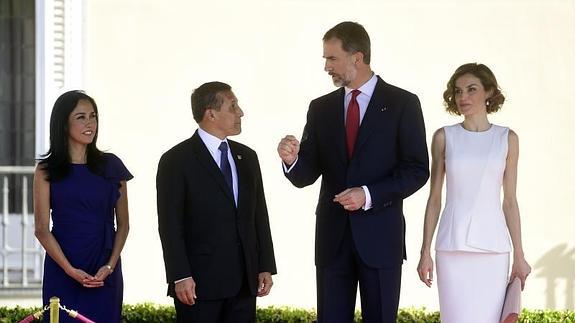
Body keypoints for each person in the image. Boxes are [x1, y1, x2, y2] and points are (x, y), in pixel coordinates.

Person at [277, 21, 429, 322]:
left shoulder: (403, 103)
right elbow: (306, 173)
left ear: (357, 58)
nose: (326, 67)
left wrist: (368, 195)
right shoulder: (320, 108)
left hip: (381, 238)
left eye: (331, 58)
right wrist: (292, 159)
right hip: (332, 242)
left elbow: (417, 169)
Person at [416, 63, 532, 323]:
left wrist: (520, 255)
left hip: (493, 248)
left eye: (471, 90)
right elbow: (435, 199)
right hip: (451, 247)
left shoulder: (507, 139)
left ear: (489, 92)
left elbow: (510, 201)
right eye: (458, 92)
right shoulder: (443, 137)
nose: (463, 97)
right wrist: (425, 251)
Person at [157, 81, 276, 322]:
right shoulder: (176, 160)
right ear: (210, 113)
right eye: (233, 106)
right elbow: (170, 225)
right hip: (199, 285)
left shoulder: (248, 157)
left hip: (244, 281)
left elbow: (258, 215)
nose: (240, 112)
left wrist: (265, 265)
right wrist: (180, 275)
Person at [34, 90, 132, 322]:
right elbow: (41, 229)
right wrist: (69, 270)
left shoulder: (112, 166)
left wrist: (109, 266)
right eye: (81, 117)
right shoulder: (46, 170)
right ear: (63, 124)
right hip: (63, 268)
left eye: (93, 116)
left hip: (104, 270)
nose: (90, 123)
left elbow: (124, 224)